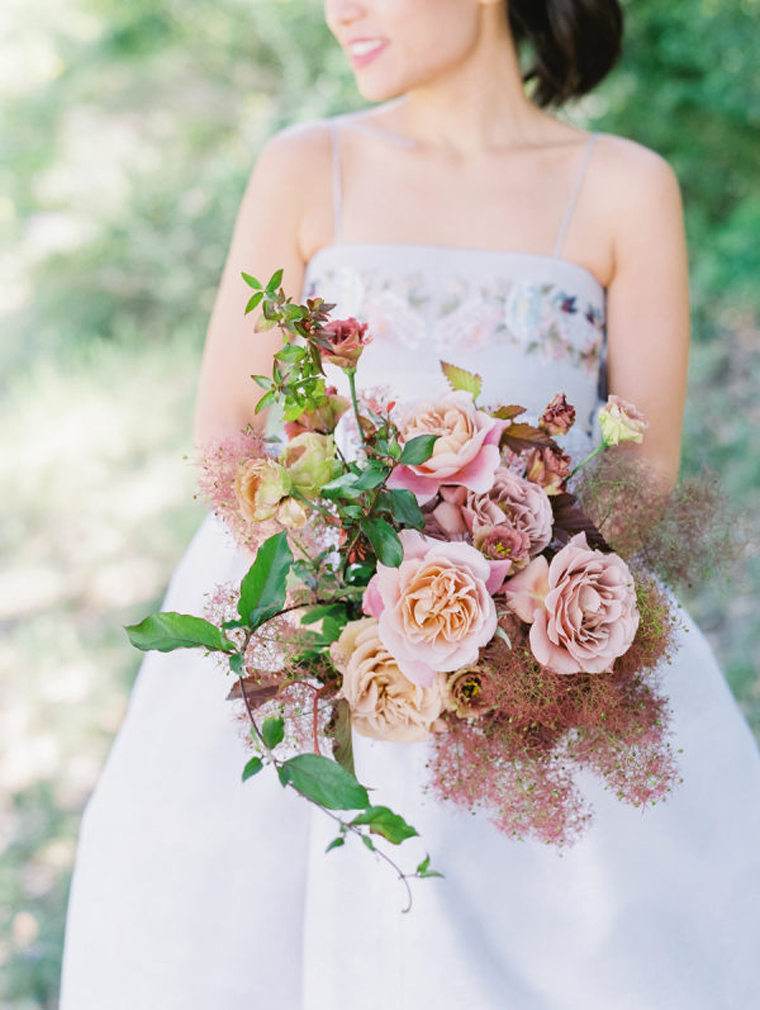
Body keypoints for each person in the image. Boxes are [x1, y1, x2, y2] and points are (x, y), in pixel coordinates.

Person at [59, 1, 760, 1007]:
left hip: (543, 666)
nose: (339, 8)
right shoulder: (306, 168)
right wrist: (351, 589)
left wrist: (525, 603)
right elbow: (227, 435)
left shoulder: (624, 187)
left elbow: (643, 469)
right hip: (308, 635)